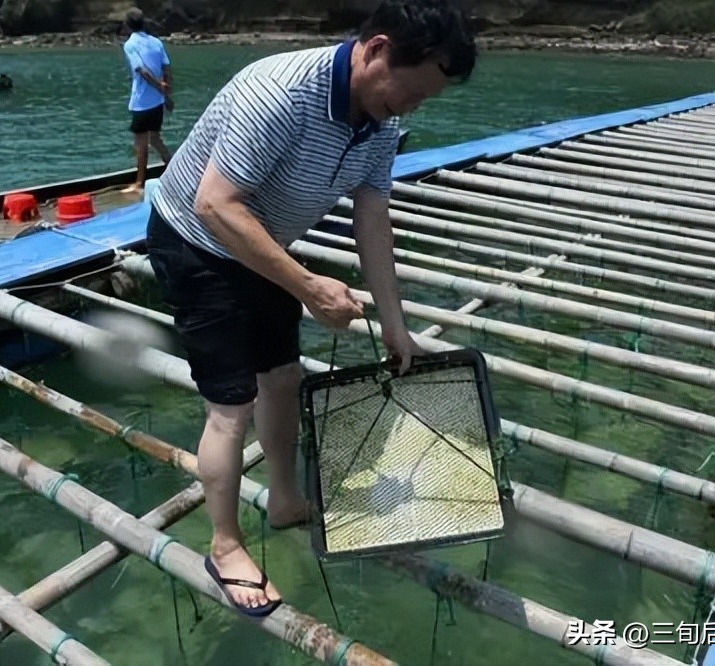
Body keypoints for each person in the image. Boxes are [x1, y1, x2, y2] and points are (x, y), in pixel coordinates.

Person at [146, 0, 475, 616]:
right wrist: (307, 285)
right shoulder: (280, 92)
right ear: (377, 50)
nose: (411, 107)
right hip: (194, 240)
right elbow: (214, 205)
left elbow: (372, 217)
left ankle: (285, 499)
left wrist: (396, 325)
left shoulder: (379, 122)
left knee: (282, 377)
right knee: (231, 403)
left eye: (425, 100)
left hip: (263, 240)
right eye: (411, 91)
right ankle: (224, 546)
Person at [122, 7, 173, 194]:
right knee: (155, 138)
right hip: (157, 101)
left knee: (141, 144)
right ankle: (174, 167)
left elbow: (141, 70)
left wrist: (159, 87)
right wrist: (166, 94)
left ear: (127, 25)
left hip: (142, 102)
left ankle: (139, 183)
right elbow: (166, 68)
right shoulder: (156, 42)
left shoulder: (130, 44)